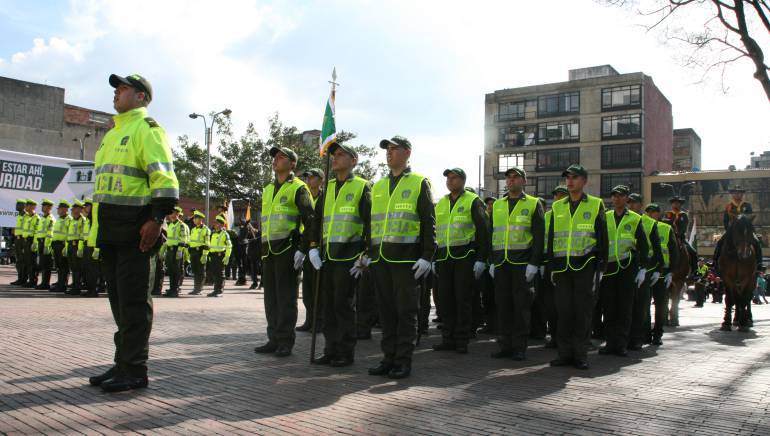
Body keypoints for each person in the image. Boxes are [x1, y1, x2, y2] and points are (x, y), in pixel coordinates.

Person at [86, 73, 179, 393]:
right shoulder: (112, 134)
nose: (117, 93)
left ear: (141, 97)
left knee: (135, 305)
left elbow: (165, 182)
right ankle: (122, 362)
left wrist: (157, 219)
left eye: (124, 88)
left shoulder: (148, 130)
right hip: (111, 232)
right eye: (117, 89)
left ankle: (136, 369)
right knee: (119, 305)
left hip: (137, 233)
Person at [367, 136, 436, 379]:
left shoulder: (419, 182)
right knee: (386, 312)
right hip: (381, 259)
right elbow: (371, 224)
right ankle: (388, 358)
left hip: (407, 260)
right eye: (387, 149)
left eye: (394, 149)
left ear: (407, 153)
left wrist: (427, 256)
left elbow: (428, 221)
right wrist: (368, 253)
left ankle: (403, 361)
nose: (389, 153)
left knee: (405, 312)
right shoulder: (378, 186)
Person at [310, 143, 371, 367]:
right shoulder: (328, 189)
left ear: (353, 161)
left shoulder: (362, 187)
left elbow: (370, 222)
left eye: (341, 155)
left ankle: (345, 352)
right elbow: (317, 221)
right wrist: (313, 247)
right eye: (333, 155)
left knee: (343, 306)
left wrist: (366, 254)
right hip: (327, 256)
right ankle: (330, 349)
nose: (335, 158)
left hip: (349, 257)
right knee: (328, 305)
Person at [254, 146, 315, 357]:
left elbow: (311, 220)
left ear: (292, 164)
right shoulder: (268, 189)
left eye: (281, 157)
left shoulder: (299, 188)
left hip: (288, 250)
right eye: (275, 157)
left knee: (286, 298)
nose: (276, 160)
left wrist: (303, 249)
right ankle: (273, 338)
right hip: (269, 250)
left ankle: (285, 341)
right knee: (270, 298)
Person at [546, 164, 608, 370]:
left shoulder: (595, 204)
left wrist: (601, 267)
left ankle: (580, 355)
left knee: (582, 312)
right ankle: (564, 354)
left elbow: (602, 237)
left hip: (586, 265)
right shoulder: (557, 206)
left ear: (584, 181)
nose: (570, 181)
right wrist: (551, 266)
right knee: (563, 312)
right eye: (567, 178)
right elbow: (552, 237)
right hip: (562, 267)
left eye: (574, 177)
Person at [487, 167, 543, 361]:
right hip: (501, 263)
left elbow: (539, 237)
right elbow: (491, 234)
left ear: (524, 181)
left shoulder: (534, 204)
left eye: (515, 177)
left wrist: (534, 263)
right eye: (508, 178)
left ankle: (519, 347)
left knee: (521, 307)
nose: (511, 180)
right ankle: (505, 345)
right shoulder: (498, 205)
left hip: (522, 263)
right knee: (503, 306)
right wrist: (491, 261)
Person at [431, 168, 489, 355]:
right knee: (445, 299)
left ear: (463, 180)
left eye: (454, 177)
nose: (450, 180)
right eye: (448, 177)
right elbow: (435, 232)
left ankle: (462, 339)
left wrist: (481, 259)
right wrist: (432, 258)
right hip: (444, 257)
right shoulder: (441, 203)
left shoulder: (473, 200)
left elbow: (483, 231)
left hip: (464, 257)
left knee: (462, 299)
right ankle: (447, 338)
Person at [598, 185, 648, 357]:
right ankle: (609, 342)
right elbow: (599, 241)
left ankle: (621, 343)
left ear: (627, 199)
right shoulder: (605, 216)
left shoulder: (635, 218)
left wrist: (643, 268)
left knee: (625, 307)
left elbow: (643, 245)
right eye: (615, 196)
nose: (618, 199)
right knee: (609, 306)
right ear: (611, 198)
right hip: (609, 268)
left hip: (627, 267)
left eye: (621, 196)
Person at [627, 193, 663, 350]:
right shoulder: (622, 218)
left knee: (642, 304)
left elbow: (656, 248)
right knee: (627, 305)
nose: (631, 205)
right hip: (626, 268)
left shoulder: (649, 222)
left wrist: (658, 269)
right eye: (629, 202)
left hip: (644, 268)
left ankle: (641, 336)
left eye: (634, 203)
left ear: (641, 205)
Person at [645, 203, 678, 346]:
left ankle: (657, 334)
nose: (652, 215)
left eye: (654, 212)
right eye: (649, 212)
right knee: (644, 305)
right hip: (646, 271)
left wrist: (671, 271)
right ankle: (645, 333)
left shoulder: (666, 228)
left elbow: (674, 251)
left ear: (659, 214)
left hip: (662, 273)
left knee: (661, 305)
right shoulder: (642, 226)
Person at [540, 185, 568, 348]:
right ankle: (555, 336)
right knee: (550, 304)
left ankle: (566, 338)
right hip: (549, 263)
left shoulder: (571, 214)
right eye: (556, 196)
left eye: (562, 195)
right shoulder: (547, 216)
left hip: (568, 263)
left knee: (566, 305)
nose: (558, 198)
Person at [297, 168, 325, 332]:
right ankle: (309, 319)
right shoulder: (305, 197)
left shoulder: (325, 197)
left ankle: (319, 321)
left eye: (312, 177)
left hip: (319, 246)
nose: (308, 180)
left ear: (321, 179)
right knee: (307, 287)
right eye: (307, 177)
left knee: (318, 287)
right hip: (306, 245)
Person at [713, 185, 763, 272]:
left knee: (757, 242)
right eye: (735, 193)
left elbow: (750, 218)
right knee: (720, 242)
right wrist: (729, 230)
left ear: (742, 194)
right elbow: (725, 220)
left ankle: (759, 264)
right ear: (732, 195)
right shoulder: (729, 206)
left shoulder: (747, 205)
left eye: (739, 193)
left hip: (745, 230)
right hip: (732, 231)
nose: (737, 195)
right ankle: (715, 262)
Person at [476, 196, 498, 335]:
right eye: (488, 205)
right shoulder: (483, 221)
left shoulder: (498, 221)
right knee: (487, 296)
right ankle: (489, 324)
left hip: (497, 264)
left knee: (497, 297)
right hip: (486, 264)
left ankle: (497, 325)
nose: (489, 207)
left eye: (492, 205)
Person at [664, 196, 698, 277]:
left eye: (678, 203)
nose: (676, 205)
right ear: (672, 205)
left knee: (693, 251)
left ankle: (694, 271)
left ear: (680, 205)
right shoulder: (667, 215)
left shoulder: (683, 215)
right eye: (674, 203)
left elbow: (684, 227)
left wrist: (678, 234)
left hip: (680, 238)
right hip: (668, 237)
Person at [163, 206, 188, 297]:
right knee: (171, 270)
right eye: (170, 213)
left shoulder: (180, 225)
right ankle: (172, 288)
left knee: (176, 271)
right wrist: (163, 250)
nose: (171, 215)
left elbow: (183, 238)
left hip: (176, 250)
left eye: (173, 213)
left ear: (177, 214)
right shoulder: (170, 224)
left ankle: (175, 289)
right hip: (170, 250)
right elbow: (168, 240)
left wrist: (179, 250)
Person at [32, 199, 56, 290]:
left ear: (49, 208)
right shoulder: (43, 218)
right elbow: (38, 231)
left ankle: (45, 283)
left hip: (46, 244)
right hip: (41, 242)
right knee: (42, 264)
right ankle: (43, 282)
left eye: (44, 206)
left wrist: (47, 245)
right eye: (42, 206)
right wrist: (36, 242)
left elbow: (50, 234)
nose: (42, 207)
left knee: (46, 265)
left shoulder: (51, 219)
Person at [49, 200, 72, 292]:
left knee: (64, 266)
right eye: (58, 209)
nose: (58, 210)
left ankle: (63, 285)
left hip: (63, 245)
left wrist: (66, 247)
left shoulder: (68, 220)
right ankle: (60, 282)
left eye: (60, 209)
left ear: (65, 209)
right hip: (56, 244)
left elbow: (69, 234)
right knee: (59, 266)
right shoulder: (59, 219)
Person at [207, 215, 232, 297]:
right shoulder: (213, 234)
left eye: (217, 223)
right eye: (215, 223)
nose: (215, 224)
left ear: (221, 225)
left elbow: (229, 246)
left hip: (220, 256)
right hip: (213, 256)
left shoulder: (225, 234)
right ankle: (215, 290)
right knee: (215, 274)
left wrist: (227, 256)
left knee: (220, 274)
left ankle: (219, 291)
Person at [80, 198, 100, 297]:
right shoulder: (88, 219)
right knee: (88, 269)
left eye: (86, 207)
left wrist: (97, 249)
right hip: (88, 246)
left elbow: (99, 233)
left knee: (93, 271)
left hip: (94, 247)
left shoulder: (95, 219)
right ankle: (90, 289)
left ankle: (93, 290)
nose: (84, 209)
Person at [188, 210, 210, 295]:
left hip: (200, 252)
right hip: (193, 252)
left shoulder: (206, 230)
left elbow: (207, 243)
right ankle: (195, 288)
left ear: (200, 219)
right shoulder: (193, 229)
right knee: (195, 270)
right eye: (194, 218)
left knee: (200, 271)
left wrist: (204, 255)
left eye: (195, 218)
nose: (194, 220)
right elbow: (191, 241)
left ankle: (199, 289)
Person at [21, 199, 41, 288]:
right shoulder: (27, 217)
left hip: (32, 241)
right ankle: (30, 279)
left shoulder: (36, 218)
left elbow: (37, 231)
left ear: (33, 207)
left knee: (32, 263)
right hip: (26, 241)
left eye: (28, 205)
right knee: (27, 262)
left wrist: (35, 243)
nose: (25, 207)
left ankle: (33, 280)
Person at [66, 200, 84, 295]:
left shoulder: (82, 220)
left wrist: (80, 248)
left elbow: (82, 235)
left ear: (79, 209)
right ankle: (74, 285)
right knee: (73, 267)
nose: (72, 210)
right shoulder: (72, 220)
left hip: (77, 245)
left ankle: (77, 287)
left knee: (77, 268)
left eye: (74, 208)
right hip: (70, 245)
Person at [10, 198, 27, 286]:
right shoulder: (19, 215)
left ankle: (23, 279)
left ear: (24, 206)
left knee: (23, 260)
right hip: (17, 239)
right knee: (19, 260)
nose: (16, 206)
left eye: (19, 204)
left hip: (23, 240)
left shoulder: (26, 216)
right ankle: (20, 278)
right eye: (17, 204)